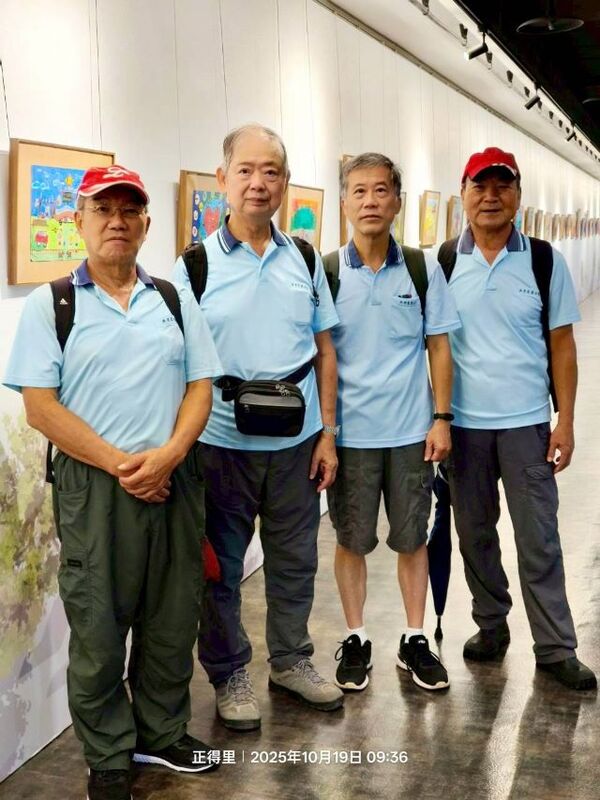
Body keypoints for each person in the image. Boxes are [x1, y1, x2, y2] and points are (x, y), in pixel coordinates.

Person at [3, 165, 223, 800]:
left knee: (172, 616)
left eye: (130, 210)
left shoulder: (172, 299)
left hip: (173, 480)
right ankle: (107, 752)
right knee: (99, 624)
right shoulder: (54, 304)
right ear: (79, 221)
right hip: (96, 488)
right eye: (103, 210)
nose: (117, 222)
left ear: (147, 223)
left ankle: (163, 732)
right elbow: (40, 407)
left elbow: (201, 385)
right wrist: (124, 466)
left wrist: (169, 456)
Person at [173, 123, 343, 732]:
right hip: (221, 442)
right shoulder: (193, 266)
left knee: (295, 559)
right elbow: (179, 361)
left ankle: (292, 661)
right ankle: (229, 673)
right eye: (245, 170)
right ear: (222, 178)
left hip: (297, 443)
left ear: (285, 182)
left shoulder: (304, 257)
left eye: (270, 171)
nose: (257, 183)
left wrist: (328, 433)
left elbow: (325, 350)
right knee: (220, 567)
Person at [443, 146, 596, 691]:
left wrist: (566, 421)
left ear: (517, 195)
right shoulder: (442, 263)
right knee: (474, 534)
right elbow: (432, 348)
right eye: (479, 186)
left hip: (527, 425)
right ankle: (491, 624)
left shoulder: (543, 260)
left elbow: (563, 345)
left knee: (539, 538)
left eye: (501, 185)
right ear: (463, 194)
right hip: (463, 427)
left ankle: (555, 647)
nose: (490, 196)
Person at [325, 152, 460, 693]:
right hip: (351, 436)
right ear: (344, 203)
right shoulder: (327, 272)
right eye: (359, 191)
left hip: (410, 433)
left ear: (398, 201)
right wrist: (325, 433)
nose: (370, 201)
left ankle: (414, 637)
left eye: (380, 190)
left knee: (412, 538)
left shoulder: (421, 269)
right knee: (351, 540)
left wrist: (442, 418)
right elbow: (321, 355)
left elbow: (439, 346)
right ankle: (356, 636)